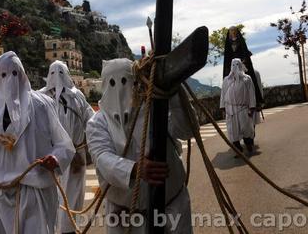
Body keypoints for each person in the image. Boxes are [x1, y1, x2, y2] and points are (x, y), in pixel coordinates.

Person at [0, 51, 75, 234]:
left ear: (23, 74)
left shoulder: (42, 105)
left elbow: (64, 144)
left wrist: (55, 159)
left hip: (33, 195)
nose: (10, 80)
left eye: (15, 73)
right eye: (4, 75)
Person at [86, 58, 194, 234]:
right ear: (105, 85)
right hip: (124, 216)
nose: (120, 89)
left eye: (126, 81)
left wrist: (173, 90)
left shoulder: (157, 106)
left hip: (171, 207)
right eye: (112, 83)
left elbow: (186, 131)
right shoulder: (97, 123)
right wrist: (134, 169)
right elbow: (102, 158)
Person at [40, 60, 95, 234]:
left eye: (60, 73)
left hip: (76, 157)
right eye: (54, 73)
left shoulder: (77, 96)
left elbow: (91, 121)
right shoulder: (41, 97)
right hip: (51, 158)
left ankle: (69, 230)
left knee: (73, 197)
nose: (57, 78)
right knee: (51, 195)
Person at [223, 26, 264, 143]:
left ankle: (256, 102)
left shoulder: (241, 43)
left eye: (234, 31)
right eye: (230, 32)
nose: (232, 34)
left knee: (253, 77)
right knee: (226, 82)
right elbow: (227, 60)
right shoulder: (228, 46)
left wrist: (242, 64)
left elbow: (245, 54)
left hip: (243, 67)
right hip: (232, 69)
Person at [220, 58, 256, 155]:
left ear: (240, 65)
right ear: (231, 66)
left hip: (243, 108)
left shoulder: (247, 79)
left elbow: (251, 93)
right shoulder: (226, 80)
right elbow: (223, 94)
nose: (235, 67)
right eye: (233, 65)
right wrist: (223, 107)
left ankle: (249, 145)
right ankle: (238, 149)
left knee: (246, 128)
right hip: (230, 110)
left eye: (237, 64)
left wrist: (252, 107)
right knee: (232, 130)